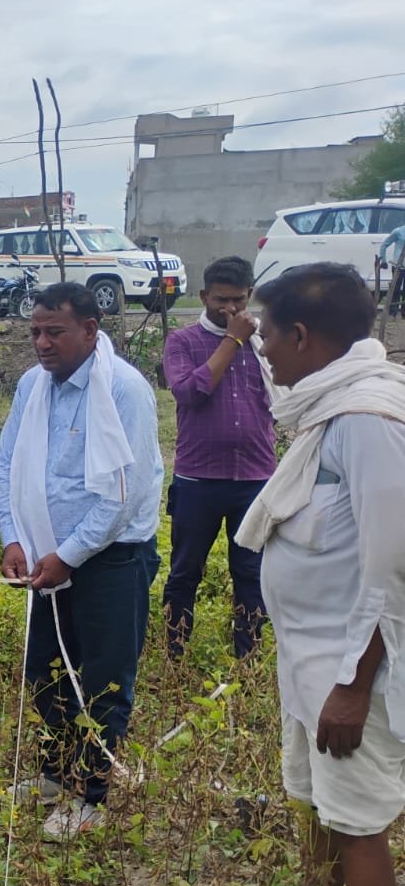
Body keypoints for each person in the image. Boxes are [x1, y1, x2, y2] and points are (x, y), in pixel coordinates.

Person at [214, 263, 405, 886]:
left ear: (301, 335)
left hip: (352, 670)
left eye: (265, 335)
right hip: (312, 661)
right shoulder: (328, 411)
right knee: (320, 807)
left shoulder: (368, 421)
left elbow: (393, 567)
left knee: (359, 823)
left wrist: (354, 685)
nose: (259, 350)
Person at [0, 282, 164, 840]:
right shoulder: (31, 386)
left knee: (103, 678)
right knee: (45, 670)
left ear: (90, 330)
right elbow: (6, 465)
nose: (42, 343)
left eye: (55, 332)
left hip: (111, 559)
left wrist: (69, 556)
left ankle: (90, 795)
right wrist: (13, 538)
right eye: (35, 332)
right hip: (45, 556)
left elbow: (123, 495)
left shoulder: (124, 390)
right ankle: (53, 774)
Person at [161, 255, 275, 660]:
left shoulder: (265, 342)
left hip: (255, 477)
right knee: (185, 570)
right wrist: (232, 340)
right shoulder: (183, 342)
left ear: (250, 296)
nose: (230, 309)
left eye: (238, 301)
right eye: (221, 300)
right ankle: (174, 653)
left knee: (251, 571)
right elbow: (189, 392)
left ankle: (248, 655)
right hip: (199, 479)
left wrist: (247, 339)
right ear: (203, 296)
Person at [379, 219, 405, 318]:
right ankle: (392, 312)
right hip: (398, 265)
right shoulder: (398, 231)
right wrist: (383, 261)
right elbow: (384, 245)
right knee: (395, 289)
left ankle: (404, 313)